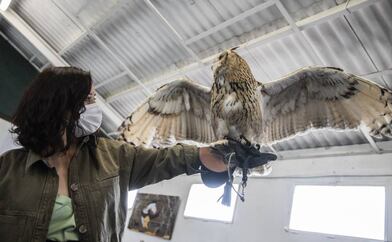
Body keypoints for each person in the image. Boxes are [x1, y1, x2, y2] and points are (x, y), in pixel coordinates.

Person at [0, 67, 274, 242]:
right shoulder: (6, 171)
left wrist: (223, 154)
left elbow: (168, 159)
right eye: (89, 100)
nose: (97, 108)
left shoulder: (112, 157)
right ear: (62, 107)